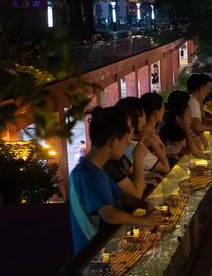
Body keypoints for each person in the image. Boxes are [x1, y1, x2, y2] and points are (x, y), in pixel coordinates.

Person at [68, 106, 161, 253]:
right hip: (92, 256)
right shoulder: (87, 173)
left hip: (102, 251)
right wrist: (143, 221)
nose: (125, 148)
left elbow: (122, 197)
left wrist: (143, 204)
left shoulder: (98, 169)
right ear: (113, 141)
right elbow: (109, 215)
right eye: (124, 143)